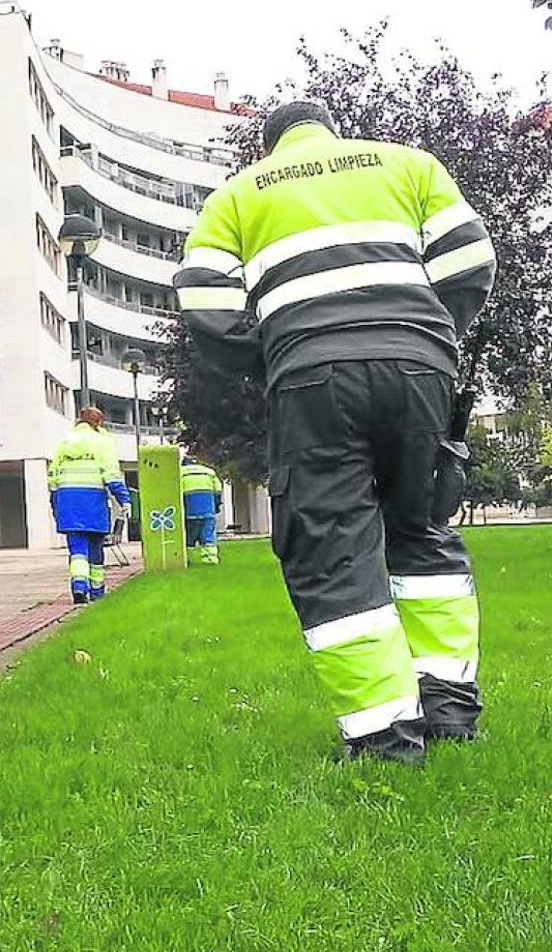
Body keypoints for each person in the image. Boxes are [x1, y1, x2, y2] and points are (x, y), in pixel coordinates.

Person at [173, 100, 496, 765]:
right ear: (329, 130)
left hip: (311, 377)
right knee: (423, 527)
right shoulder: (407, 164)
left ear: (270, 146)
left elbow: (203, 296)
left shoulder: (238, 195)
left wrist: (269, 353)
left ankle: (384, 739)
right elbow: (468, 259)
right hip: (420, 365)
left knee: (332, 545)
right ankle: (449, 712)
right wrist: (435, 338)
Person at [48, 408, 131, 604]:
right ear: (99, 423)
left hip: (68, 502)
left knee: (77, 550)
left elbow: (53, 479)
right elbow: (112, 476)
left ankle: (78, 586)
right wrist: (124, 500)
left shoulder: (65, 442)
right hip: (93, 501)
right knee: (96, 548)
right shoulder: (103, 442)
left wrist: (56, 506)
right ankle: (97, 591)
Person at [181, 460, 223, 565]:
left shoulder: (180, 473)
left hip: (189, 510)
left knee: (188, 538)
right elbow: (218, 490)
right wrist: (217, 505)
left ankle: (186, 559)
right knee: (208, 536)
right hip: (208, 509)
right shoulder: (209, 472)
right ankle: (210, 559)